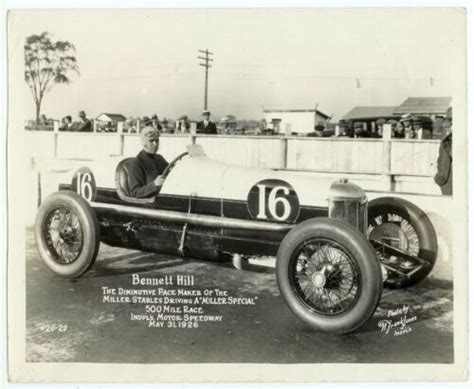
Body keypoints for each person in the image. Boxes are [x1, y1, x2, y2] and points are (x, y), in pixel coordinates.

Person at [128, 126, 169, 198]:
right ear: (143, 142)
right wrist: (154, 185)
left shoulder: (160, 159)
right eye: (151, 141)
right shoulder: (137, 163)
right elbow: (135, 193)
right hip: (150, 204)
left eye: (157, 140)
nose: (155, 144)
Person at [434, 109, 452, 195]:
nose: (449, 125)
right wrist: (440, 175)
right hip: (446, 182)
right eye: (449, 120)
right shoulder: (445, 141)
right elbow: (440, 160)